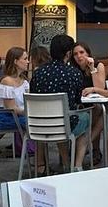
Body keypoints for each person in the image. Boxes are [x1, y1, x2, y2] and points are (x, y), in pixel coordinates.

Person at [30, 34, 90, 173]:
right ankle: (77, 165)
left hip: (38, 125)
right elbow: (77, 100)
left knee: (62, 118)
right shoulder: (73, 73)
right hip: (63, 125)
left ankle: (65, 162)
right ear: (68, 53)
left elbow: (33, 94)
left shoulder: (38, 73)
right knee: (85, 118)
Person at [71, 42, 107, 165]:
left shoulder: (98, 65)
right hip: (81, 103)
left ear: (88, 53)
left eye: (82, 52)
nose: (79, 56)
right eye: (75, 54)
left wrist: (92, 69)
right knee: (95, 112)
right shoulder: (72, 68)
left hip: (97, 102)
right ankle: (91, 148)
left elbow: (100, 87)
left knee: (99, 111)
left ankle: (87, 145)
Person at [0, 47, 29, 132]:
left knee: (41, 121)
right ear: (15, 61)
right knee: (36, 123)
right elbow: (11, 108)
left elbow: (28, 102)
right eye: (25, 59)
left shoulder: (24, 82)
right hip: (6, 118)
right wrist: (30, 113)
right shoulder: (7, 82)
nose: (28, 62)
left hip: (20, 116)